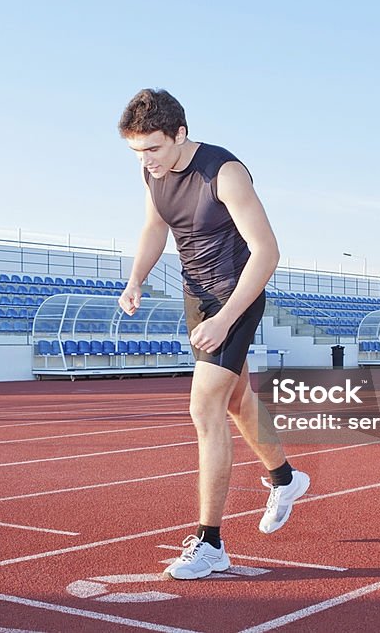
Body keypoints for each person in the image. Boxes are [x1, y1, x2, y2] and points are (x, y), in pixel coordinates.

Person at [117, 89, 309, 581]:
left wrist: (225, 319)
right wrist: (136, 277)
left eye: (153, 149)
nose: (146, 160)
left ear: (180, 134)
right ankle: (285, 479)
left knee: (203, 407)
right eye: (137, 151)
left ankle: (210, 543)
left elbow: (267, 252)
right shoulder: (152, 173)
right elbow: (155, 227)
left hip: (237, 295)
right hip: (196, 296)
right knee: (236, 401)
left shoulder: (224, 172)